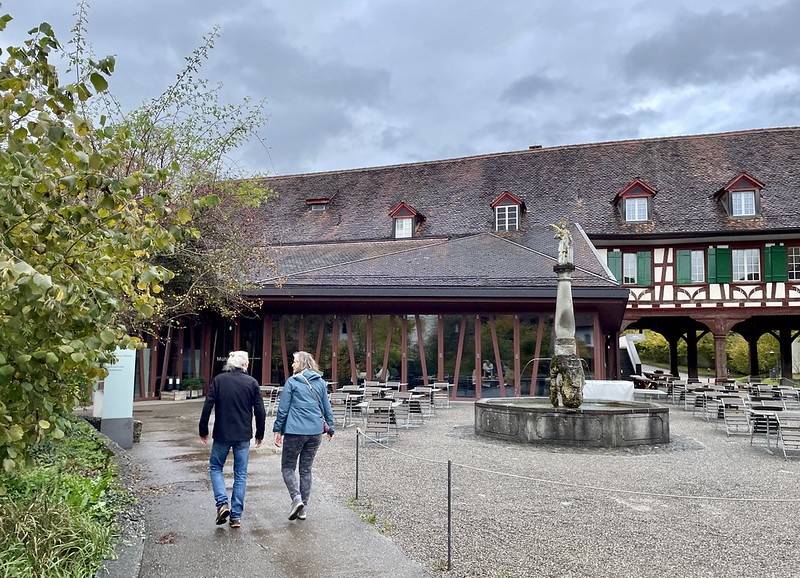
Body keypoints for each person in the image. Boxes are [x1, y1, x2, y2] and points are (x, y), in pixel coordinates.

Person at [198, 350, 266, 529]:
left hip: (222, 433)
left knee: (215, 467)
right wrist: (260, 433)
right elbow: (260, 410)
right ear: (245, 364)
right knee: (240, 474)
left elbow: (208, 406)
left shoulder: (219, 380)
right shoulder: (252, 383)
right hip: (243, 435)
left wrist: (203, 429)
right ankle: (235, 517)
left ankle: (222, 503)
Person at [273, 351, 335, 521]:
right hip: (315, 432)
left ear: (302, 364)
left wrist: (278, 429)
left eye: (294, 361)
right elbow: (326, 406)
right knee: (306, 469)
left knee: (287, 467)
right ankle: (303, 509)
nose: (292, 364)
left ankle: (296, 498)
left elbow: (283, 409)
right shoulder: (320, 382)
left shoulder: (292, 382)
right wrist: (331, 428)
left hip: (295, 431)